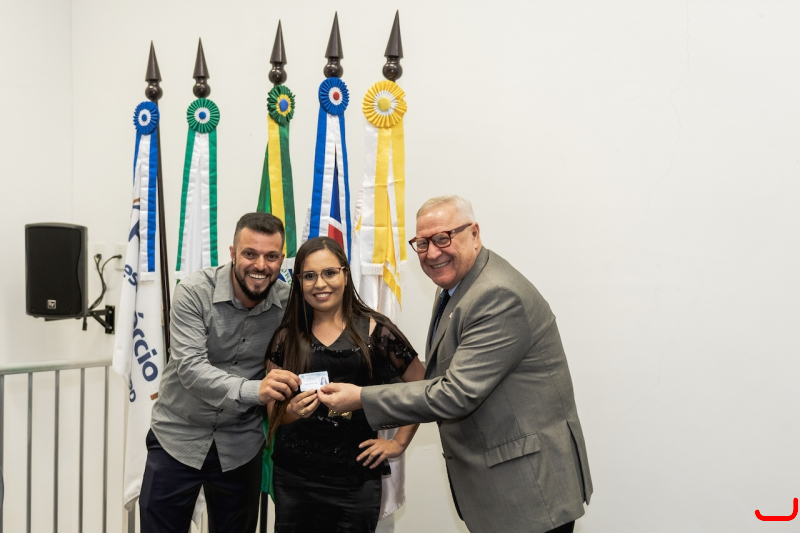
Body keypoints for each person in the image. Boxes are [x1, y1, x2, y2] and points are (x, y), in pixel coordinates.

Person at [319, 196, 593, 533]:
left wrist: (361, 398)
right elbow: (445, 372)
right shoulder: (455, 286)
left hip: (528, 488)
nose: (433, 253)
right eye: (422, 243)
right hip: (501, 485)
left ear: (474, 233)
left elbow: (455, 393)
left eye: (443, 238)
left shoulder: (496, 295)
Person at [140, 213, 302, 533]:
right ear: (232, 253)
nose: (260, 265)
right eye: (250, 253)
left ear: (282, 259)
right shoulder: (193, 291)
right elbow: (190, 368)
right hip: (177, 439)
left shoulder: (289, 304)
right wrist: (256, 390)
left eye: (271, 256)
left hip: (241, 446)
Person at [265, 237, 425, 533]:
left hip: (356, 482)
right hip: (295, 479)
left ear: (345, 274)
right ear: (298, 282)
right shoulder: (286, 338)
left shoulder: (377, 331)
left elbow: (421, 387)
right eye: (309, 276)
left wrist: (398, 443)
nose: (320, 284)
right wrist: (291, 412)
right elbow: (273, 413)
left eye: (329, 272)